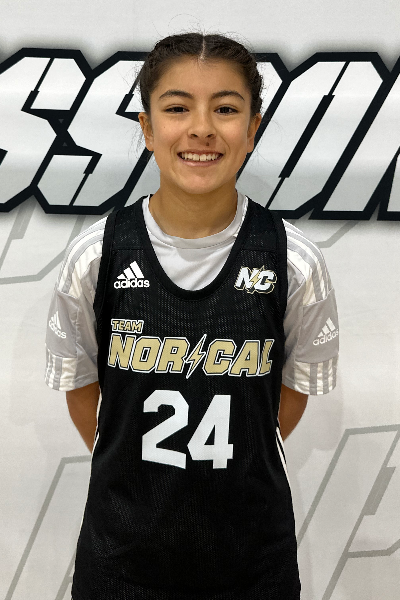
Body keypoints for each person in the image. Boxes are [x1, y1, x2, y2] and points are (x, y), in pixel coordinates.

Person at [45, 32, 339, 600]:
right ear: (147, 128)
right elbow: (82, 391)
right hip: (121, 560)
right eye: (177, 108)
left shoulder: (293, 260)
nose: (202, 128)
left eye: (225, 109)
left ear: (252, 129)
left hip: (252, 561)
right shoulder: (96, 255)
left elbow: (290, 397)